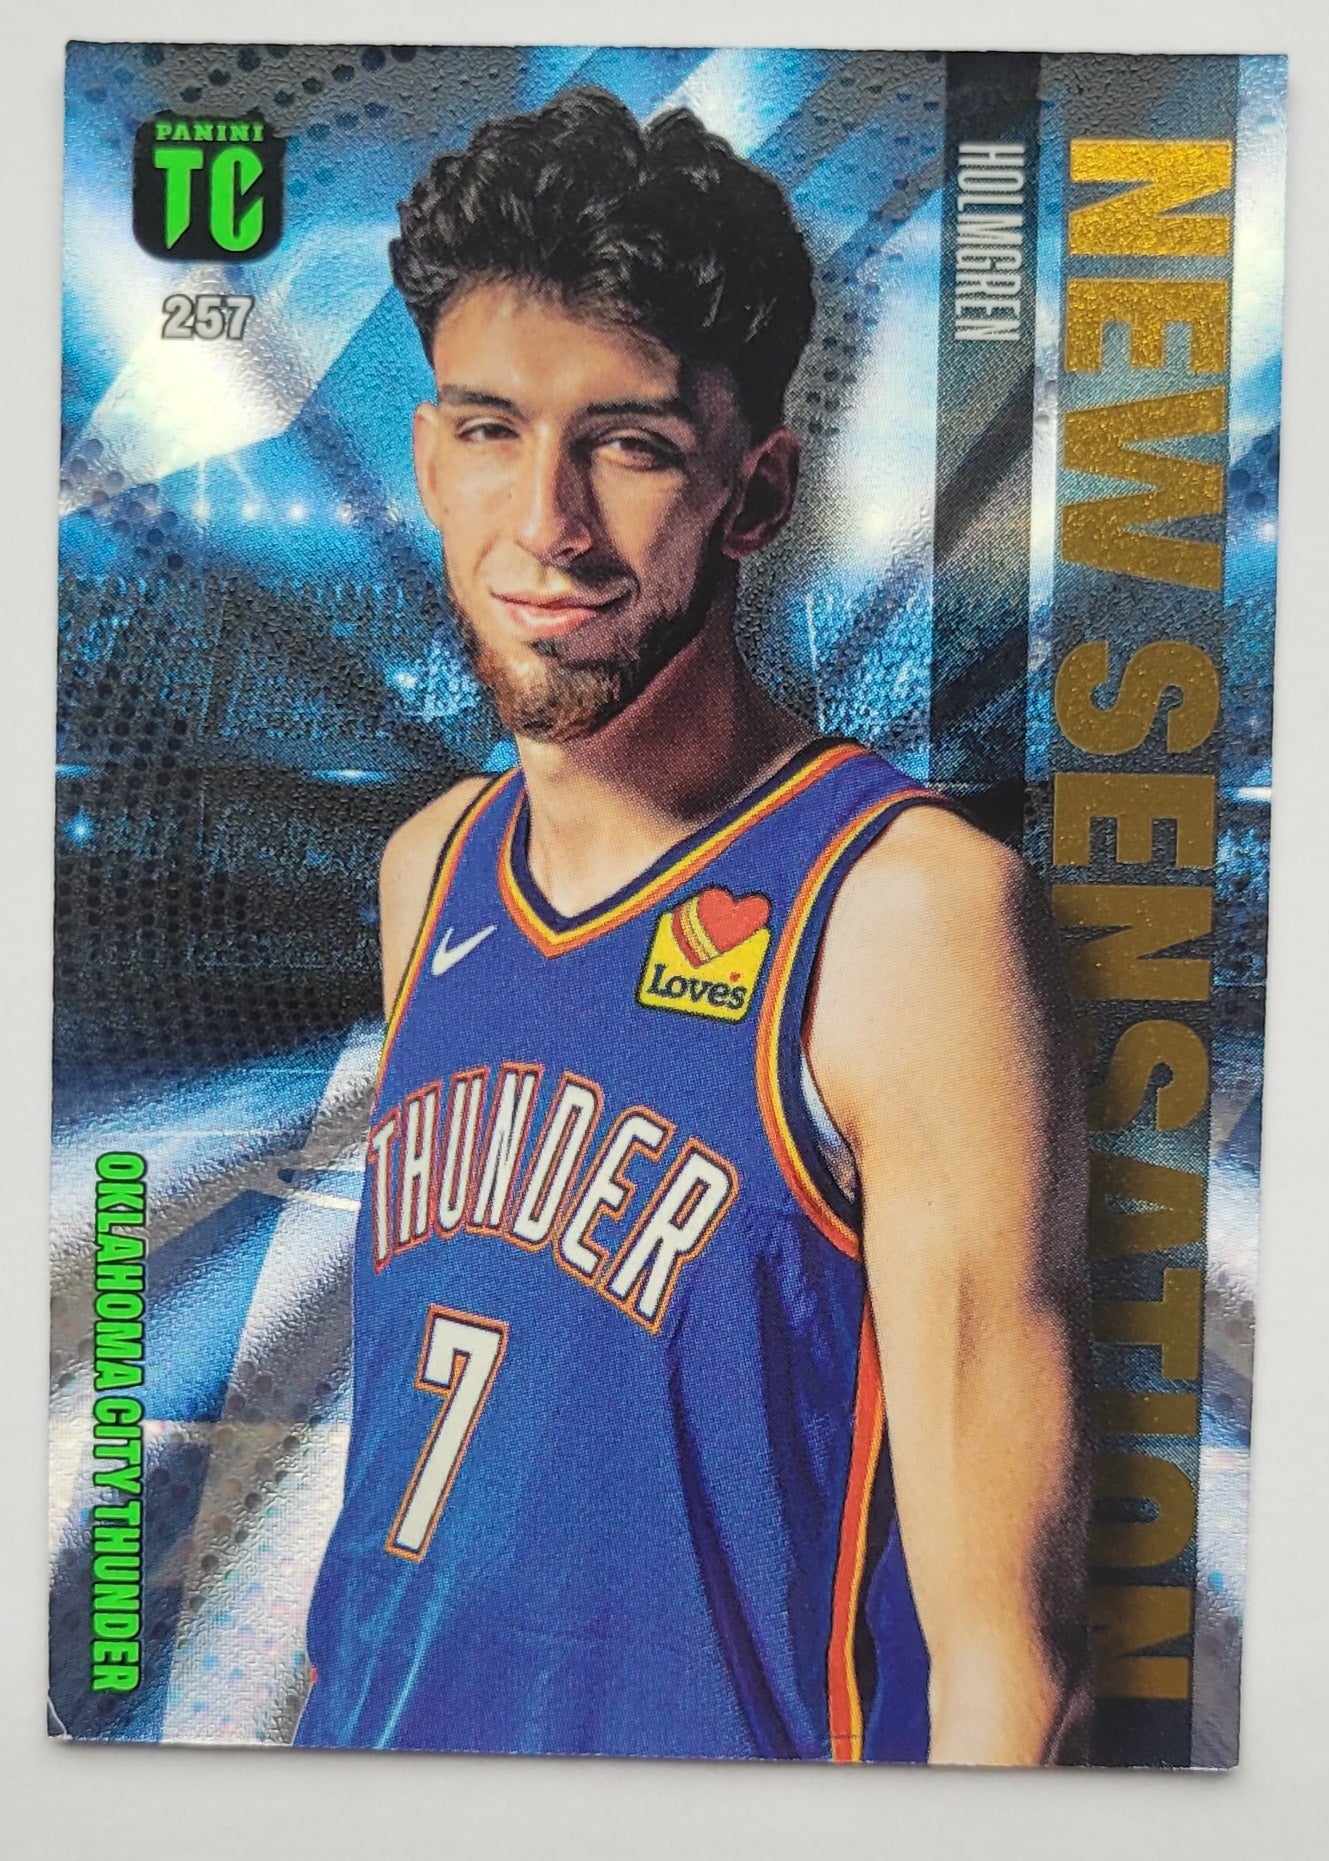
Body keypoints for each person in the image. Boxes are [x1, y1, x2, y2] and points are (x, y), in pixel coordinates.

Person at [295, 88, 1090, 1765]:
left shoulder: (905, 912)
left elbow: (1008, 1666)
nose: (547, 523)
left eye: (631, 445)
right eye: (492, 429)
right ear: (430, 455)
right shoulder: (429, 867)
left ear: (755, 487)